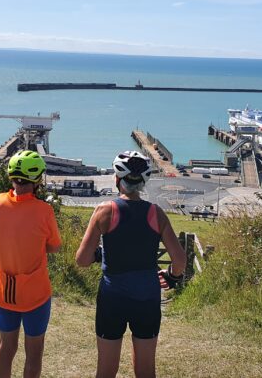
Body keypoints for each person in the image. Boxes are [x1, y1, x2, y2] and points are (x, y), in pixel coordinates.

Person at [76, 150, 187, 378]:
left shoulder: (104, 211)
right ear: (143, 182)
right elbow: (180, 261)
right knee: (146, 371)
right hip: (147, 297)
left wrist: (100, 254)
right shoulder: (156, 213)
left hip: (112, 298)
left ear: (117, 179)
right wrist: (172, 276)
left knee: (106, 371)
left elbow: (82, 260)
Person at [0, 150, 61, 378]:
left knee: (6, 347)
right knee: (34, 353)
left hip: (4, 290)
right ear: (37, 180)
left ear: (11, 176)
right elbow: (54, 246)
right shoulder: (44, 211)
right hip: (35, 292)